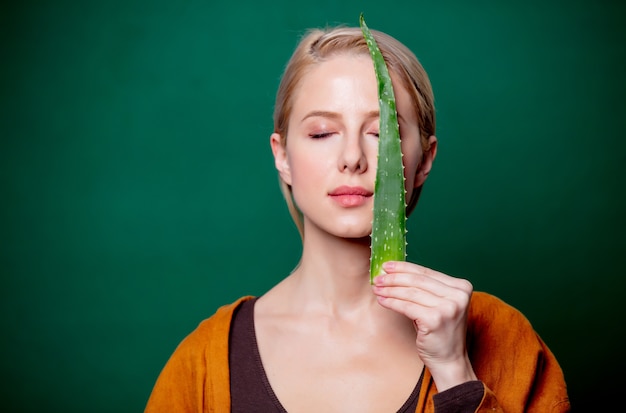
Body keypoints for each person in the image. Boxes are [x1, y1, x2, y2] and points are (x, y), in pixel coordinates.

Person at [144, 24, 570, 413]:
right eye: (322, 133)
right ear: (282, 155)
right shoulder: (203, 363)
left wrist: (455, 373)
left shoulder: (504, 338)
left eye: (382, 133)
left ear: (424, 160)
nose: (352, 159)